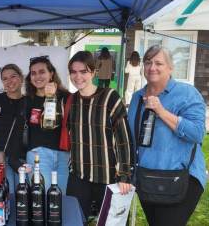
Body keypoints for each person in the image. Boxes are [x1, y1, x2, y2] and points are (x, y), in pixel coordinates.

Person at [128, 45, 206, 226]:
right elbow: (133, 138)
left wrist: (161, 111)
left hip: (180, 179)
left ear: (170, 68)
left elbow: (197, 133)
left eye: (158, 63)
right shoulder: (138, 97)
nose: (152, 67)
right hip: (147, 179)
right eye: (148, 62)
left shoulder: (187, 94)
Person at [65, 51, 133, 221]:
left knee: (110, 222)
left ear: (93, 72)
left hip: (108, 177)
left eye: (83, 71)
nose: (78, 76)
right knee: (74, 220)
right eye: (73, 72)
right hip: (79, 175)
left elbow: (123, 139)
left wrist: (124, 175)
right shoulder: (69, 101)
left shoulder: (110, 97)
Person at [25, 55, 70, 194]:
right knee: (42, 198)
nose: (37, 76)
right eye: (33, 73)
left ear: (51, 74)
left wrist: (52, 96)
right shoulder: (27, 100)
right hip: (38, 155)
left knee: (60, 198)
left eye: (42, 72)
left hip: (63, 155)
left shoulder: (66, 97)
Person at [0, 64, 25, 193]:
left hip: (22, 159)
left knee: (22, 197)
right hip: (1, 158)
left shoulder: (29, 101)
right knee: (4, 196)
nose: (9, 81)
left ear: (21, 78)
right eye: (5, 78)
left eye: (13, 76)